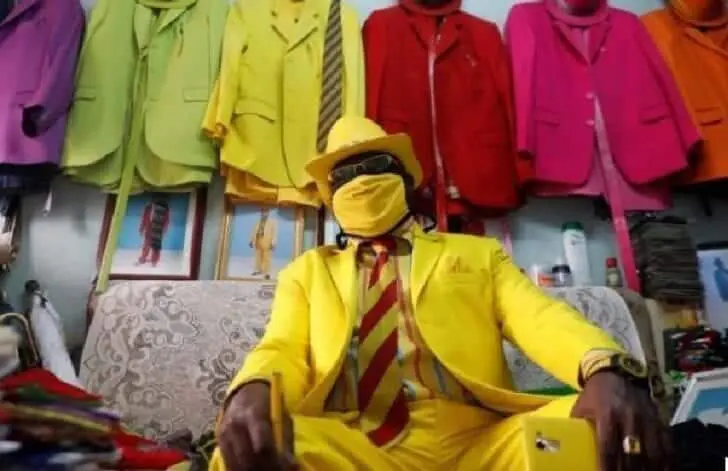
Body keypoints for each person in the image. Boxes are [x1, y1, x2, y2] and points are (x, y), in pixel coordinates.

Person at [211, 117, 669, 471]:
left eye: (376, 166)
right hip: (353, 445)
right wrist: (252, 389)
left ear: (407, 181)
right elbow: (283, 346)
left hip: (483, 444)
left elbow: (540, 318)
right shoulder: (306, 272)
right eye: (345, 175)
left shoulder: (476, 254)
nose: (362, 179)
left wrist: (604, 367)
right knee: (246, 455)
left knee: (604, 428)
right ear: (331, 197)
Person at [137, 195, 170, 268]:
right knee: (146, 244)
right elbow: (144, 218)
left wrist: (164, 229)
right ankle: (143, 258)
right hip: (149, 227)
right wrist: (141, 229)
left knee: (156, 246)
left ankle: (154, 261)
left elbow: (166, 220)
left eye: (156, 199)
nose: (155, 200)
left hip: (158, 228)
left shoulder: (164, 207)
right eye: (153, 199)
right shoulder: (148, 207)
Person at [249, 207, 277, 280]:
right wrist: (251, 241)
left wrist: (273, 243)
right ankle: (258, 270)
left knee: (267, 257)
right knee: (258, 257)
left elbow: (274, 234)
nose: (264, 214)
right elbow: (254, 232)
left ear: (268, 213)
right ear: (261, 213)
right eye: (263, 212)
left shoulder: (272, 223)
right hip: (258, 241)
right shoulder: (258, 222)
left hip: (267, 241)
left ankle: (267, 273)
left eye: (266, 212)